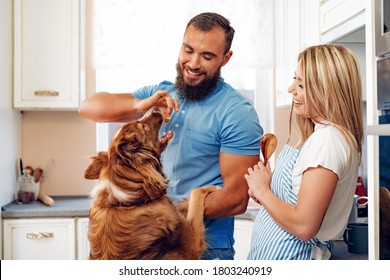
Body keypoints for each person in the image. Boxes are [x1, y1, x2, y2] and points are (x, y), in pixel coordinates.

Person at [79, 12, 263, 260]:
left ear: (225, 58)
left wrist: (157, 215)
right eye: (188, 50)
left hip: (202, 250)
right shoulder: (161, 92)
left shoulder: (237, 113)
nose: (194, 63)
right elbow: (89, 107)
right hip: (147, 242)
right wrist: (140, 105)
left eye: (207, 56)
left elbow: (235, 199)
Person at [245, 44, 363, 260]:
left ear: (328, 89)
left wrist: (263, 191)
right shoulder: (322, 136)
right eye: (294, 80)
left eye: (301, 84)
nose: (291, 89)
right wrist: (268, 192)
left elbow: (304, 225)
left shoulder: (328, 140)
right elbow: (298, 205)